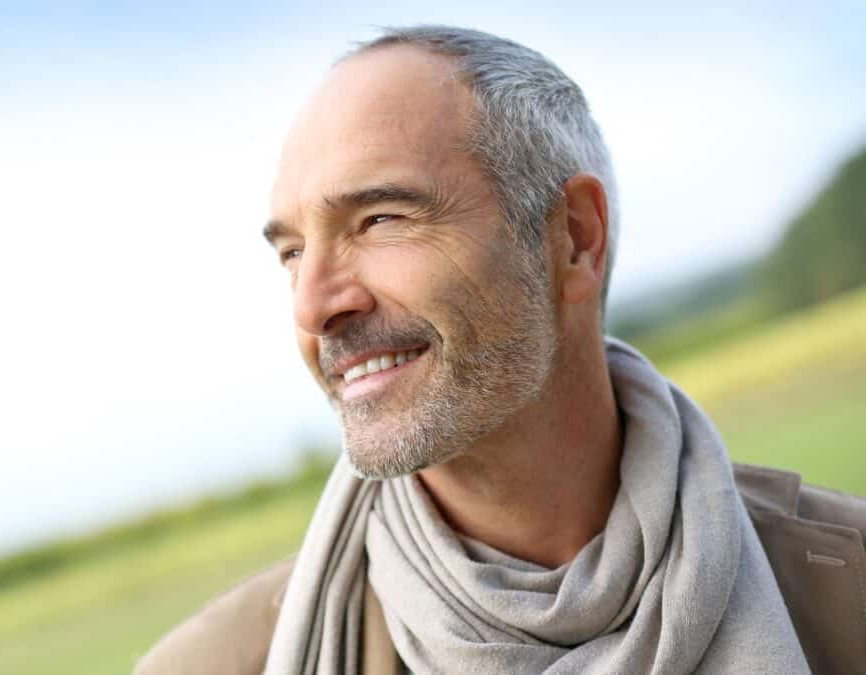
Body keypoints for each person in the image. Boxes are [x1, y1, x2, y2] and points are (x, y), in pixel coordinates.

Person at [136, 26, 866, 674]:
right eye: (293, 252)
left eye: (380, 218)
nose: (313, 305)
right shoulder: (218, 664)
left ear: (575, 237)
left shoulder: (847, 587)